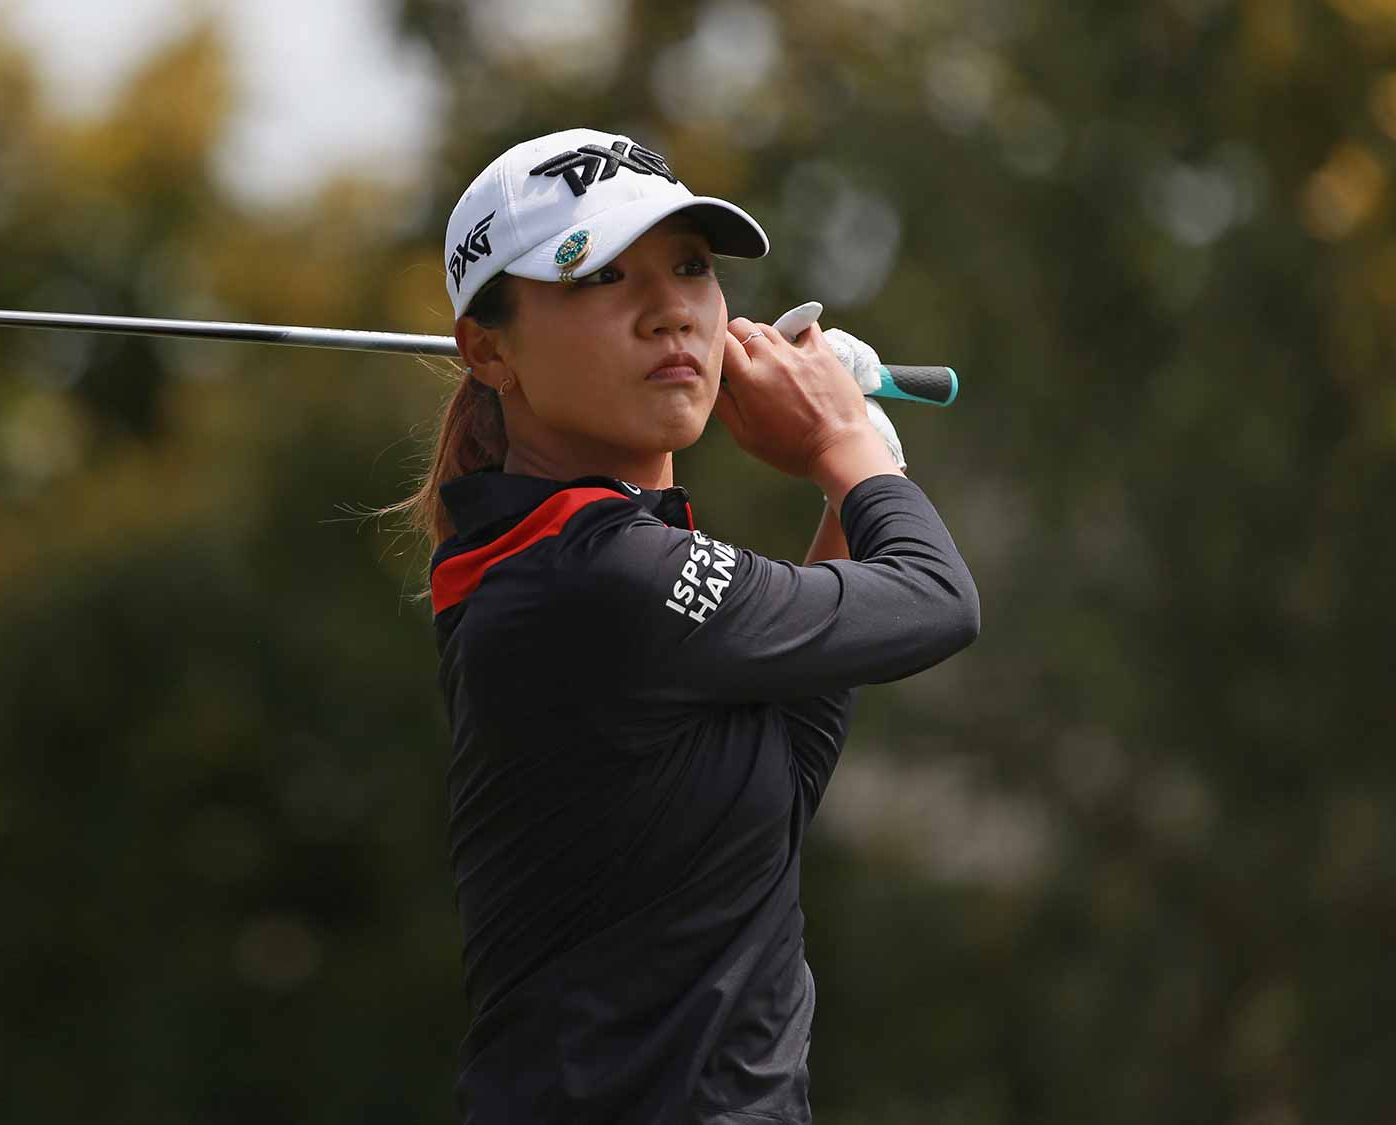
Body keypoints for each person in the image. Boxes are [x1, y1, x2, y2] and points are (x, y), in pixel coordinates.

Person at [396, 128, 981, 1123]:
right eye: (600, 277)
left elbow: (785, 769)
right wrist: (842, 444)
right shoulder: (593, 575)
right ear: (488, 347)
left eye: (689, 269)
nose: (668, 309)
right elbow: (936, 600)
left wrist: (855, 467)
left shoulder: (586, 560)